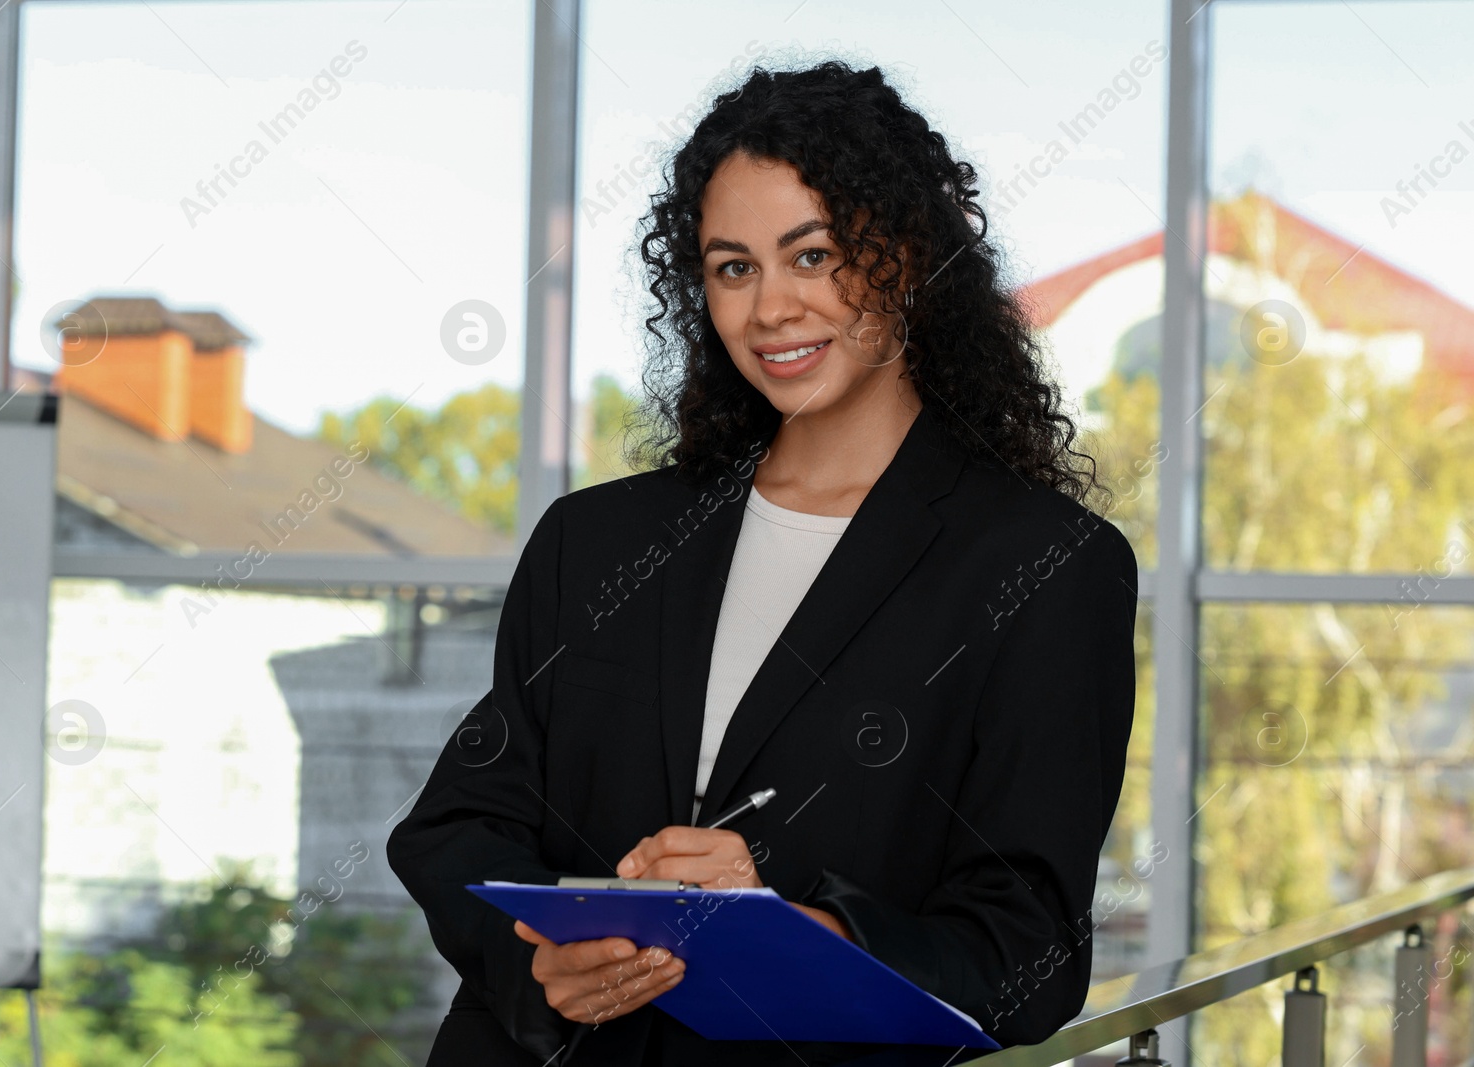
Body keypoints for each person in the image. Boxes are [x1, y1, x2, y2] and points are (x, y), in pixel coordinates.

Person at [388, 59, 1138, 1067]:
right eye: (733, 267)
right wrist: (536, 964)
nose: (770, 308)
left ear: (907, 255)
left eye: (813, 255)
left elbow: (1030, 951)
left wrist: (803, 924)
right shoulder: (595, 540)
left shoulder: (1046, 565)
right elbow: (459, 823)